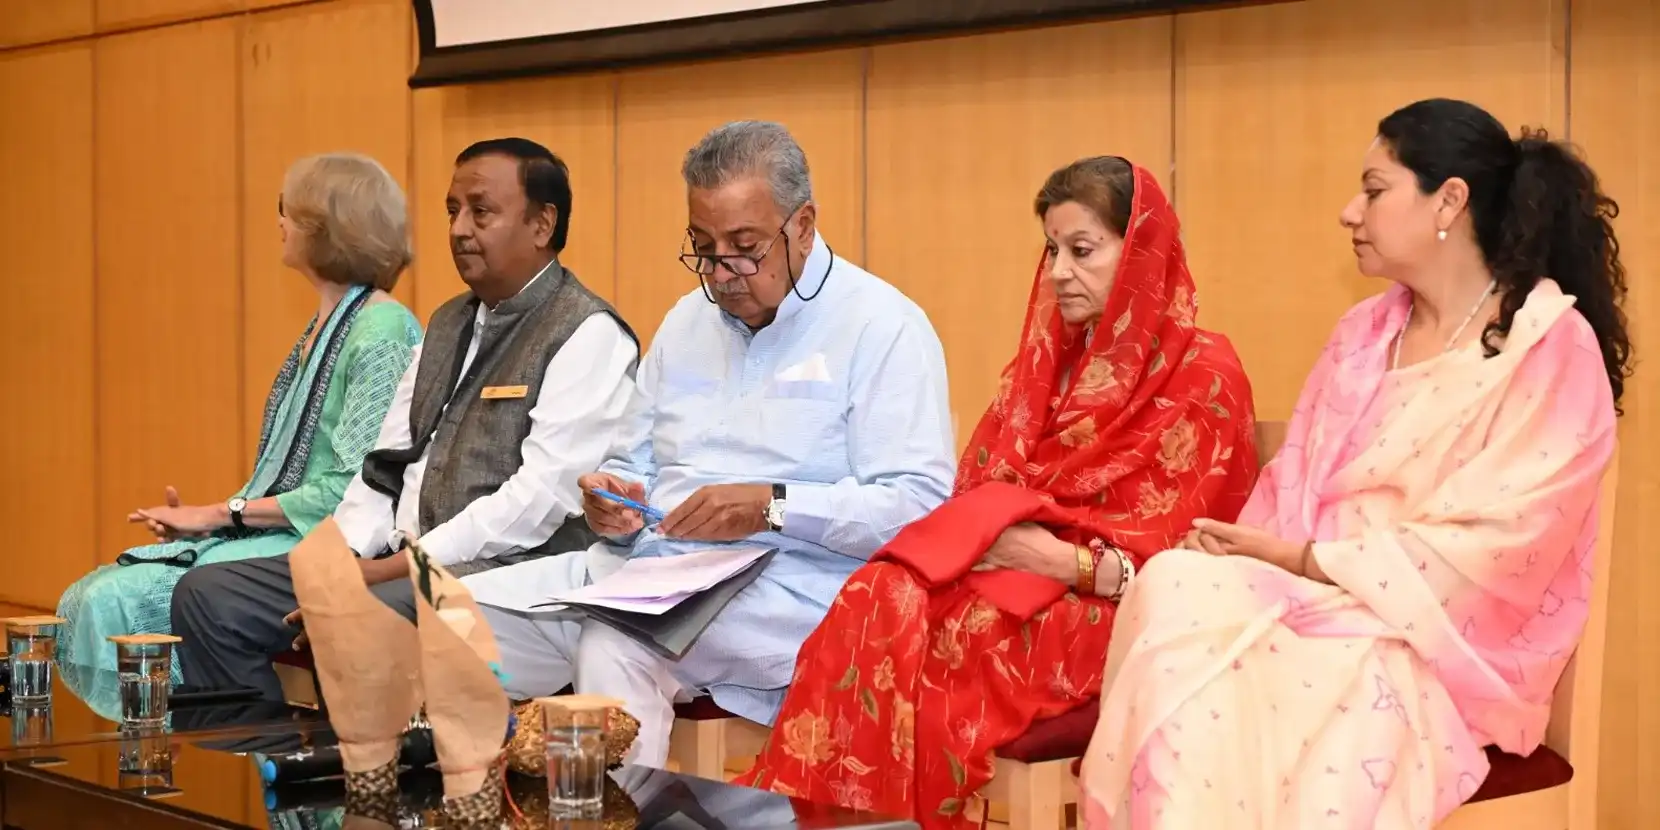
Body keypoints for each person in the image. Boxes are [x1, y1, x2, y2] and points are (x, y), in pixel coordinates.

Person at [1078, 98, 1630, 829]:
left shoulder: (1549, 346)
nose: (1349, 212)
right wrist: (1256, 556)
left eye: (1374, 190)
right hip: (1312, 601)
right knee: (1179, 585)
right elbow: (1290, 492)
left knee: (1318, 681)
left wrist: (1310, 562)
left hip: (1433, 644)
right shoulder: (1363, 332)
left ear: (1449, 201)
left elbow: (1502, 546)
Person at [737, 157, 1260, 826]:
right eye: (1052, 250)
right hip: (1007, 575)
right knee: (877, 594)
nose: (1060, 271)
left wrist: (1064, 563)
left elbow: (1196, 558)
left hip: (1118, 606)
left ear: (1142, 253)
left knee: (969, 636)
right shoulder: (1042, 369)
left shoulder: (1202, 374)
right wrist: (990, 537)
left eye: (1082, 250)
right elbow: (978, 487)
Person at [463, 120, 958, 766]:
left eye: (744, 249)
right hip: (649, 573)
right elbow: (632, 460)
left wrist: (772, 505)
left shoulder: (882, 327)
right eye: (703, 248)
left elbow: (919, 506)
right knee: (452, 625)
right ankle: (498, 804)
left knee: (613, 644)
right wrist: (614, 500)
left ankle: (615, 809)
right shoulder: (686, 322)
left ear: (804, 226)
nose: (721, 273)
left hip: (793, 588)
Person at [171, 137, 640, 701]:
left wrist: (388, 572)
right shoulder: (446, 323)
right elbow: (383, 467)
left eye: (481, 211)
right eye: (452, 211)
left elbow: (534, 503)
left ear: (542, 224)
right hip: (392, 562)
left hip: (500, 578)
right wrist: (343, 560)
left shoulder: (588, 333)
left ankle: (358, 755)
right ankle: (272, 753)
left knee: (358, 616)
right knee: (210, 597)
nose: (459, 229)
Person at [54, 153, 422, 676]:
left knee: (110, 599)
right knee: (95, 595)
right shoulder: (329, 325)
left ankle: (198, 726)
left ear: (326, 228)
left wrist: (219, 515)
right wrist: (215, 523)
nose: (279, 221)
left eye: (287, 209)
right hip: (289, 535)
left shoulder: (381, 330)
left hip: (333, 545)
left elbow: (353, 488)